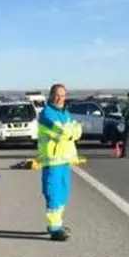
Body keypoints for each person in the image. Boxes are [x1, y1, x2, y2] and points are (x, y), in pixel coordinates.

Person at [37, 83, 82, 241]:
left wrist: (72, 132)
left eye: (62, 96)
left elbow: (78, 130)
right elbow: (63, 132)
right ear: (51, 95)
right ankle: (54, 228)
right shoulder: (46, 115)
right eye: (57, 95)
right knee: (53, 195)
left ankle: (58, 223)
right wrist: (72, 132)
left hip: (64, 161)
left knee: (63, 194)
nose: (60, 98)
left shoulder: (64, 113)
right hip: (52, 162)